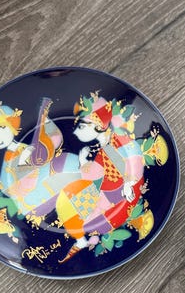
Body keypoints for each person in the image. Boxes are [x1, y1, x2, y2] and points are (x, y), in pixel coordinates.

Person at [56, 93, 145, 263]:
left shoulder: (119, 141)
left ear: (99, 126)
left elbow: (134, 161)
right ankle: (81, 240)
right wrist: (83, 162)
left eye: (82, 126)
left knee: (72, 205)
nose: (75, 131)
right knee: (66, 200)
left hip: (118, 197)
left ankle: (82, 239)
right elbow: (96, 173)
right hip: (105, 191)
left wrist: (129, 183)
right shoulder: (103, 148)